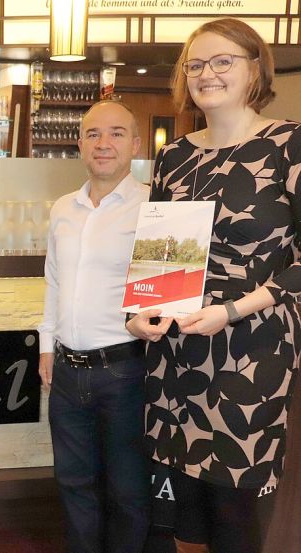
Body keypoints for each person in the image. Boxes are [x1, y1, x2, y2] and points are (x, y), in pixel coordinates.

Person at [126, 18, 300, 553]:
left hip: (250, 347)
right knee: (184, 511)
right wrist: (140, 311)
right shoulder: (174, 156)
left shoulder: (288, 144)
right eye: (196, 64)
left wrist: (236, 309)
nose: (207, 74)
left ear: (255, 69)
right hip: (177, 348)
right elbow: (161, 251)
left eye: (223, 60)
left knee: (233, 506)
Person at [37, 100, 150, 553]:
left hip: (125, 370)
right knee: (73, 483)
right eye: (94, 134)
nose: (104, 144)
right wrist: (47, 345)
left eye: (117, 133)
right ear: (79, 143)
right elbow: (54, 279)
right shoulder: (64, 207)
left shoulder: (155, 206)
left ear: (136, 144)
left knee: (128, 490)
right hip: (66, 369)